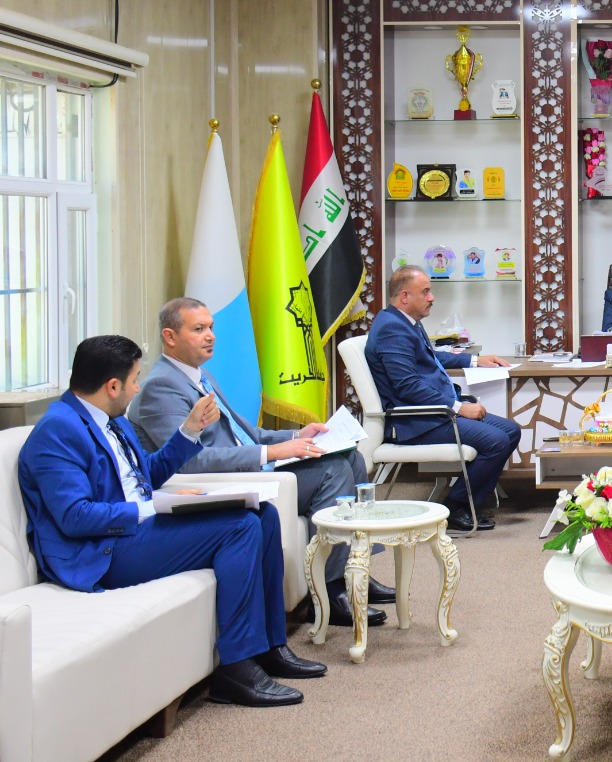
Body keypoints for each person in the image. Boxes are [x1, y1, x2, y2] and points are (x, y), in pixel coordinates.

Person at [18, 335, 324, 706]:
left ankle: (270, 647)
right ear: (112, 386)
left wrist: (189, 432)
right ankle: (236, 668)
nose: (137, 388)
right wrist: (155, 507)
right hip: (100, 551)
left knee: (263, 514)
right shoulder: (57, 430)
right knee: (238, 528)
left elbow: (145, 475)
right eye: (134, 380)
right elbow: (75, 517)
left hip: (135, 531)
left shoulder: (114, 420)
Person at [129, 296, 391, 627]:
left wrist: (295, 436)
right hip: (225, 480)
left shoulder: (199, 375)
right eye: (198, 329)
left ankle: (354, 572)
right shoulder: (161, 387)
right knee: (333, 471)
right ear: (170, 336)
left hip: (250, 468)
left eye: (211, 327)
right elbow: (189, 462)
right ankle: (327, 591)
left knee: (350, 457)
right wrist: (270, 453)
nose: (210, 336)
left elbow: (245, 433)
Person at [364, 266, 517, 532]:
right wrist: (459, 408)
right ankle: (455, 507)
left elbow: (431, 357)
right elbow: (408, 387)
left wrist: (475, 359)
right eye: (425, 292)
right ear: (404, 296)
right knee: (497, 441)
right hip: (415, 421)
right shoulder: (392, 329)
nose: (432, 297)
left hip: (433, 413)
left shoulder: (405, 321)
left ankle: (467, 502)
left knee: (511, 431)